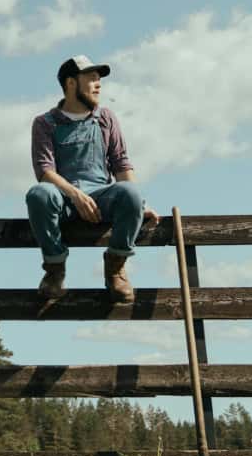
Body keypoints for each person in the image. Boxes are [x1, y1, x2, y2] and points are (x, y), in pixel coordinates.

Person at [26, 55, 155, 303]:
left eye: (99, 79)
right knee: (39, 193)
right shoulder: (45, 123)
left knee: (132, 193)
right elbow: (44, 171)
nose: (98, 84)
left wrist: (139, 204)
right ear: (71, 83)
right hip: (62, 199)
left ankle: (116, 266)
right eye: (91, 78)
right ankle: (55, 269)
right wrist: (75, 195)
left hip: (101, 199)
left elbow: (121, 163)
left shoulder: (105, 118)